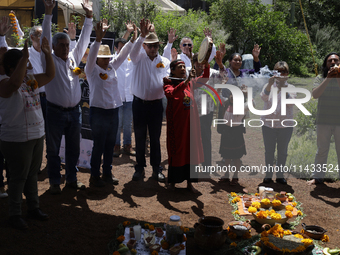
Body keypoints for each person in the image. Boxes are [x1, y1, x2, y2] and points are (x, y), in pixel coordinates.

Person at [0, 38, 55, 229]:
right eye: (25, 63)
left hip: (36, 134)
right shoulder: (3, 82)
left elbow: (49, 74)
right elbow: (14, 84)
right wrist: (24, 57)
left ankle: (33, 208)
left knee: (32, 174)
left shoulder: (29, 80)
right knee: (17, 177)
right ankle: (14, 214)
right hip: (16, 138)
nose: (29, 66)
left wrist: (47, 53)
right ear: (11, 67)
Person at [40, 0, 93, 194]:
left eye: (66, 44)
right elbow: (45, 37)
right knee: (53, 150)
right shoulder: (48, 60)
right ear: (53, 47)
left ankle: (71, 179)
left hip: (75, 113)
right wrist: (48, 13)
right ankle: (55, 181)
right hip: (55, 112)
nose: (64, 47)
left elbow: (84, 40)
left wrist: (89, 17)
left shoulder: (73, 57)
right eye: (60, 45)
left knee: (73, 150)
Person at [85, 20, 137, 187]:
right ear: (97, 59)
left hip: (113, 111)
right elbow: (91, 56)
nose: (107, 60)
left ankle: (107, 173)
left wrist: (132, 40)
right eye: (103, 58)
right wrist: (98, 40)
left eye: (107, 57)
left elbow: (122, 54)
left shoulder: (112, 67)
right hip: (98, 112)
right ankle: (94, 175)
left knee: (109, 145)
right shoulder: (91, 70)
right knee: (98, 146)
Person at [129, 19, 170, 182]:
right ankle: (139, 168)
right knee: (139, 137)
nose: (153, 48)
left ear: (158, 46)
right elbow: (132, 53)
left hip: (156, 106)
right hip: (139, 104)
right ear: (144, 46)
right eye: (149, 45)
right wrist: (142, 36)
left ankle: (156, 168)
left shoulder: (165, 62)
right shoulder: (138, 58)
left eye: (155, 45)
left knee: (155, 138)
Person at [163, 59, 209, 192]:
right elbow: (171, 93)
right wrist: (186, 81)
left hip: (191, 125)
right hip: (176, 125)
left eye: (184, 66)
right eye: (179, 67)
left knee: (191, 150)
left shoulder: (191, 83)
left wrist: (206, 64)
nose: (183, 68)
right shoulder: (168, 82)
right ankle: (172, 183)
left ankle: (190, 184)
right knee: (177, 150)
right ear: (172, 70)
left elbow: (205, 77)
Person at [260, 61, 296, 185]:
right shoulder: (268, 85)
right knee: (269, 151)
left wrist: (284, 89)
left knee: (282, 151)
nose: (281, 74)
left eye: (284, 72)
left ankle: (280, 175)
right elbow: (263, 98)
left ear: (288, 74)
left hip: (285, 125)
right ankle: (268, 175)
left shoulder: (291, 88)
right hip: (268, 124)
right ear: (274, 72)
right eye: (278, 71)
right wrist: (270, 85)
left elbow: (291, 103)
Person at [307, 53, 340, 185]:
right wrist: (328, 78)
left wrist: (337, 78)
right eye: (329, 61)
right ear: (326, 64)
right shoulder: (320, 78)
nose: (332, 62)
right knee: (321, 149)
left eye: (336, 60)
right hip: (323, 120)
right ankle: (317, 177)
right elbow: (315, 95)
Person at [114, 21, 137, 157]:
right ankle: (116, 145)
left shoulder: (132, 60)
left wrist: (133, 35)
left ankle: (127, 145)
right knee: (117, 123)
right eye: (120, 48)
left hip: (129, 97)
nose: (122, 50)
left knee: (128, 124)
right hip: (116, 98)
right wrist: (127, 32)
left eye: (125, 47)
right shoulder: (112, 59)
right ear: (116, 49)